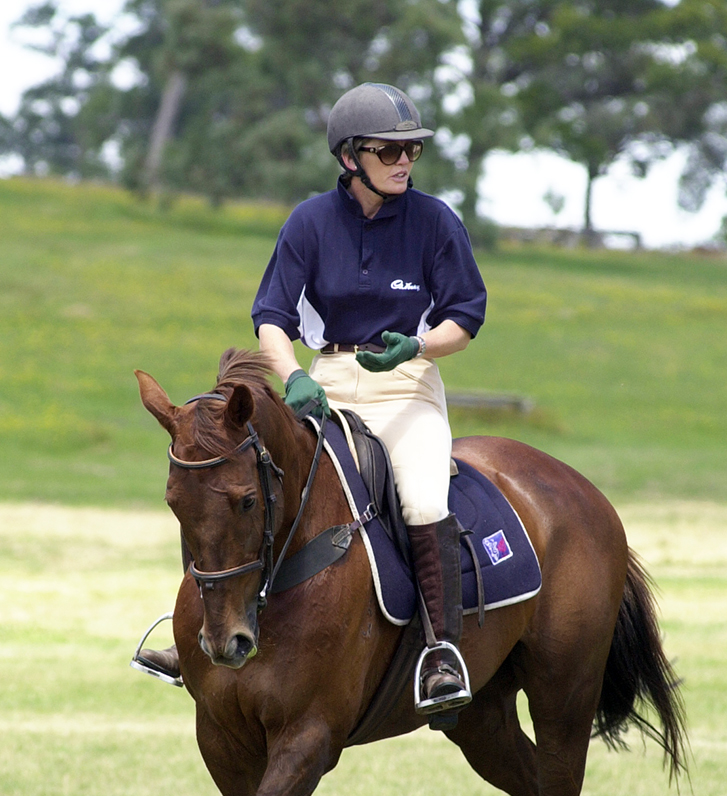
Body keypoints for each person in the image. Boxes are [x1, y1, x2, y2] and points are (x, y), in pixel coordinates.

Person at [134, 82, 487, 716]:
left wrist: (417, 348)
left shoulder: (436, 222)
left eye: (412, 150)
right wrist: (292, 374)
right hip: (323, 383)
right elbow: (271, 312)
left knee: (425, 494)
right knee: (237, 483)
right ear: (350, 156)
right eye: (390, 150)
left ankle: (440, 651)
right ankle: (196, 632)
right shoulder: (310, 221)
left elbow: (466, 315)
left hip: (406, 385)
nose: (405, 160)